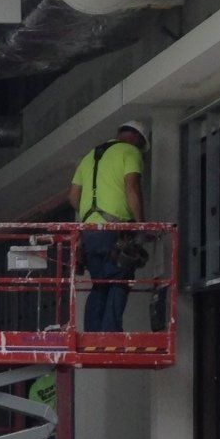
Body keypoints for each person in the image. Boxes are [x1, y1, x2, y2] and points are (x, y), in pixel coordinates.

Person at [69, 119, 148, 333]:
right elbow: (132, 187)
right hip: (116, 231)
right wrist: (141, 226)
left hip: (90, 233)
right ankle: (111, 333)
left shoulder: (88, 157)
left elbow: (73, 197)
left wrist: (92, 216)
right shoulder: (131, 152)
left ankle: (93, 334)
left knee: (100, 282)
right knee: (119, 280)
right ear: (138, 140)